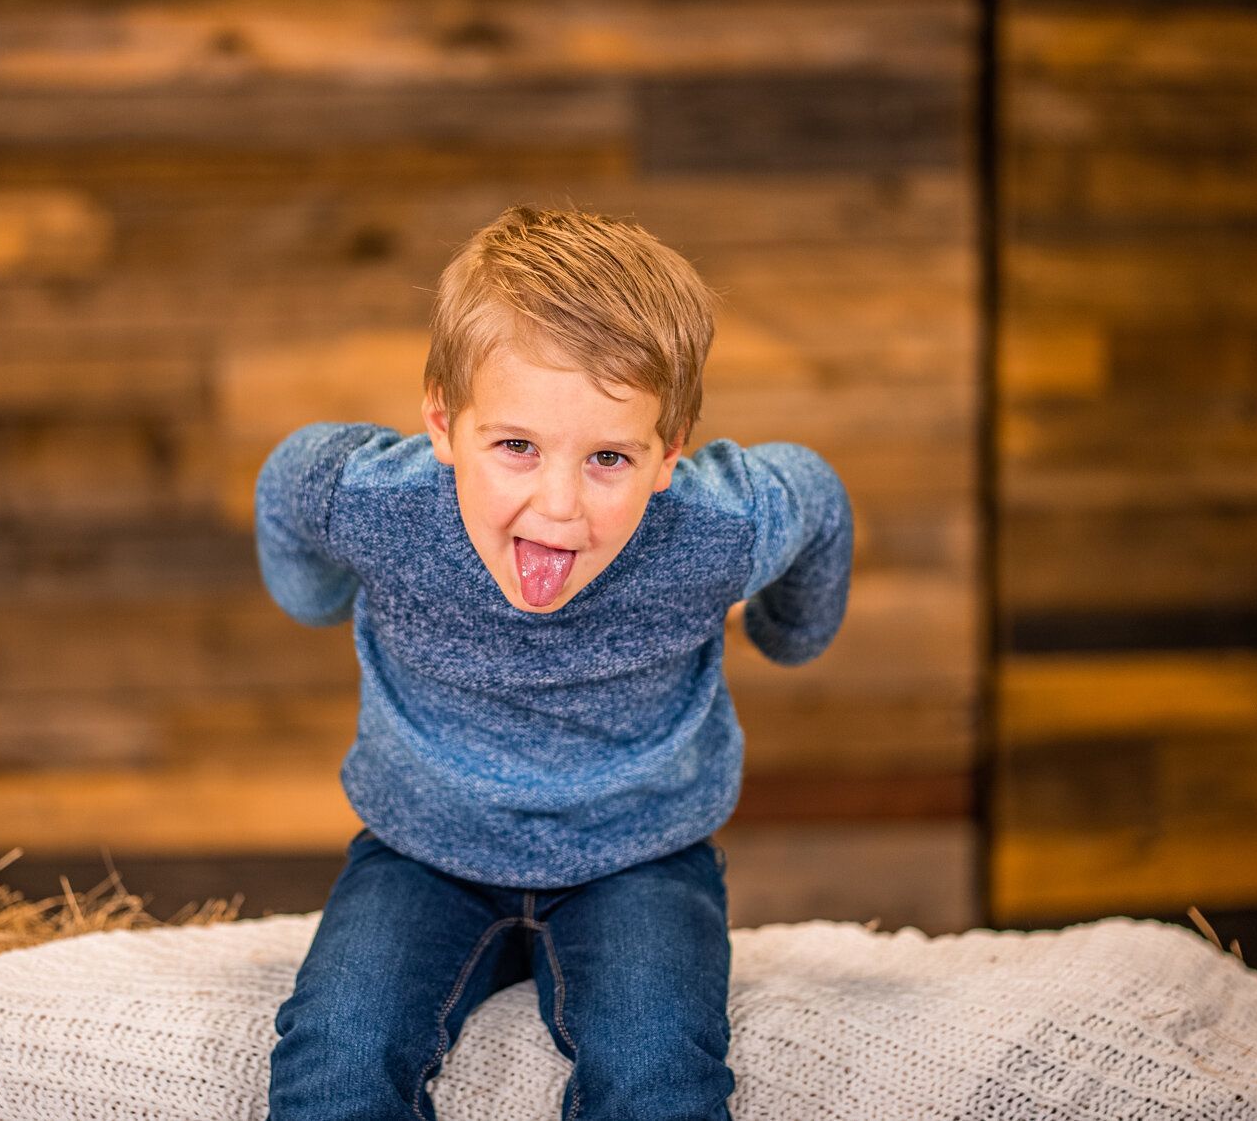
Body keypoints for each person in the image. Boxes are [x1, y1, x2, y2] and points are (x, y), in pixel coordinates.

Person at [255, 203, 854, 1121]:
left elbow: (813, 493)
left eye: (609, 456)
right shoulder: (374, 500)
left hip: (639, 852)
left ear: (669, 456)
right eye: (516, 447)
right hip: (424, 847)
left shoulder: (720, 523)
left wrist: (789, 627)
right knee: (336, 1059)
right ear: (443, 425)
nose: (559, 505)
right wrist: (315, 595)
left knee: (659, 1077)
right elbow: (289, 477)